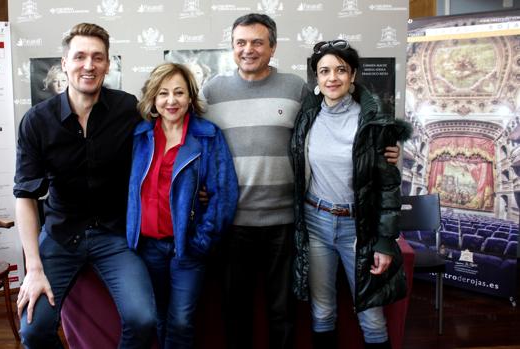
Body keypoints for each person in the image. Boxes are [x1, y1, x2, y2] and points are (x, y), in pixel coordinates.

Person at [202, 14, 401, 349]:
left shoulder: (295, 89)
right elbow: (194, 139)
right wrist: (198, 186)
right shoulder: (213, 91)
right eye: (241, 42)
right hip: (233, 221)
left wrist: (385, 147)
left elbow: (342, 116)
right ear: (232, 46)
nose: (248, 49)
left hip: (286, 222)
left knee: (283, 311)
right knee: (237, 309)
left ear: (273, 47)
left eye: (257, 42)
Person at [14, 22, 156, 348]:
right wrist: (33, 268)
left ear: (108, 64)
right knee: (33, 331)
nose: (88, 65)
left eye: (97, 57)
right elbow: (24, 195)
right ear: (64, 63)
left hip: (115, 236)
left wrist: (198, 186)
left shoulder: (127, 110)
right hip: (61, 236)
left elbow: (165, 147)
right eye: (80, 57)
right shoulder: (37, 121)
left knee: (143, 319)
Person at [290, 40, 410, 349]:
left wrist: (385, 241)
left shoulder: (371, 123)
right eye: (324, 71)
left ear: (353, 75)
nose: (332, 78)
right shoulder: (306, 118)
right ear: (316, 78)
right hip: (315, 223)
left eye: (340, 70)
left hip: (359, 228)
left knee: (371, 316)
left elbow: (388, 188)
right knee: (323, 312)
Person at [126, 62, 238, 348]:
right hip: (147, 248)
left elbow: (223, 195)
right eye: (163, 93)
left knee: (181, 321)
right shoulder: (139, 137)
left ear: (191, 97)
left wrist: (200, 242)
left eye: (179, 92)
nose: (171, 101)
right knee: (159, 317)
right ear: (153, 98)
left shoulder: (207, 136)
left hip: (186, 248)